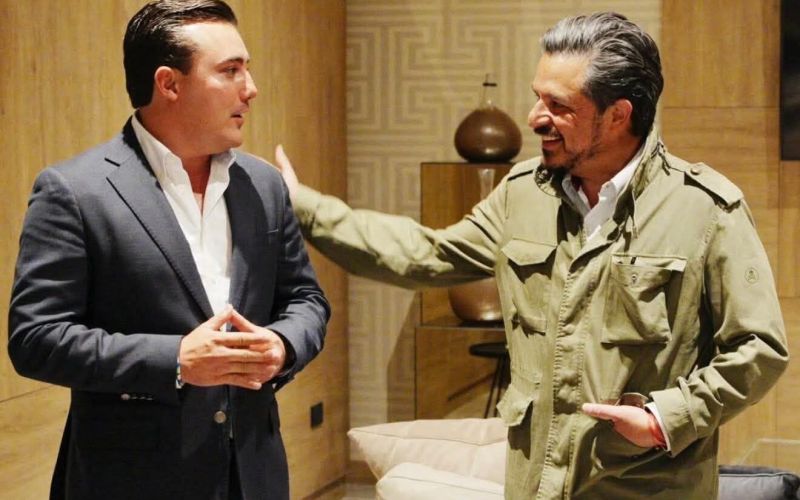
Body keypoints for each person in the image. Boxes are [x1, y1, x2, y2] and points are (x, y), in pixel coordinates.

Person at [274, 12, 788, 500]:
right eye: (536, 98)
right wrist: (304, 207)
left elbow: (758, 347)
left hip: (643, 487)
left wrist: (665, 418)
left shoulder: (705, 209)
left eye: (558, 105)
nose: (535, 118)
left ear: (618, 115)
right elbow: (427, 255)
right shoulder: (523, 192)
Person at [7, 1, 329, 499]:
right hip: (131, 481)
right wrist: (174, 358)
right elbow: (36, 339)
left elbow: (306, 300)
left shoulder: (263, 185)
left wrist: (282, 346)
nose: (251, 88)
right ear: (169, 84)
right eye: (230, 70)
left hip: (253, 475)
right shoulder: (75, 191)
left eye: (247, 68)